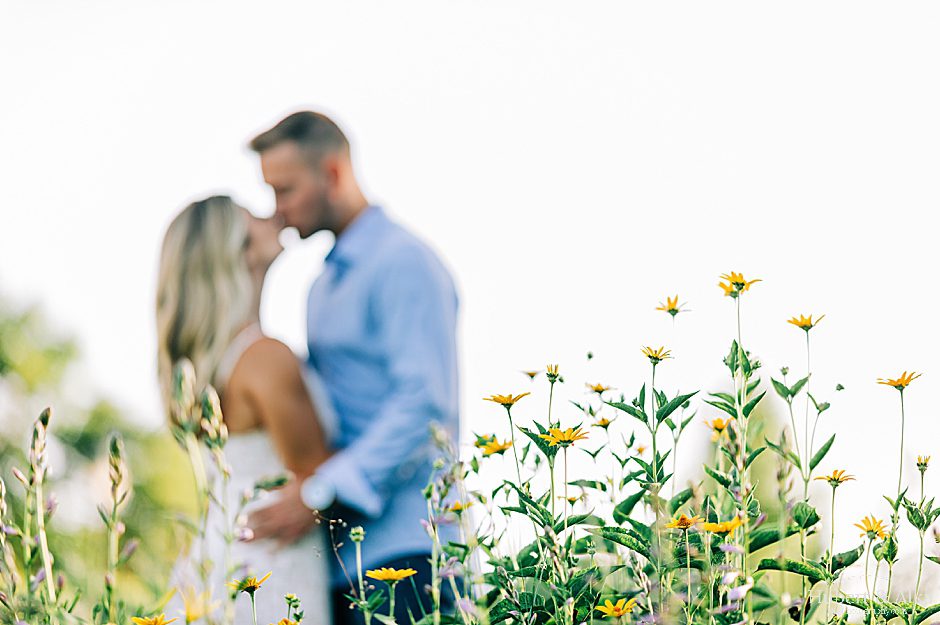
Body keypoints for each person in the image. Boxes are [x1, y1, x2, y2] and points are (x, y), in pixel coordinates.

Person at [245, 111, 460, 625]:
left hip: (408, 557)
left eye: (286, 189)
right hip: (341, 564)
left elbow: (425, 405)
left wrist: (321, 492)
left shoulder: (402, 262)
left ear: (334, 173)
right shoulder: (323, 286)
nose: (277, 210)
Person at [155, 195, 335, 623]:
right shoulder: (265, 357)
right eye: (252, 216)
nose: (272, 214)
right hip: (273, 559)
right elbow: (319, 473)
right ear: (239, 250)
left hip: (221, 550)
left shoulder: (213, 365)